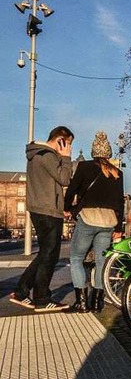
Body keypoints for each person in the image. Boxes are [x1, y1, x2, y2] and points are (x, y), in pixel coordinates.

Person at [9, 126, 74, 313]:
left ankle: (21, 292)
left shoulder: (36, 154)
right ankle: (42, 299)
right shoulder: (47, 155)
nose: (69, 147)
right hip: (48, 210)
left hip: (40, 208)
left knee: (45, 253)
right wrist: (66, 157)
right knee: (50, 255)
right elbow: (65, 179)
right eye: (68, 142)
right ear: (61, 140)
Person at [64, 131, 124, 313]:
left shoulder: (84, 167)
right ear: (109, 153)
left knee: (76, 258)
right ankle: (97, 302)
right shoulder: (117, 173)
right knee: (101, 262)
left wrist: (67, 208)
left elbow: (72, 190)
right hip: (108, 222)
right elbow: (119, 202)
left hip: (88, 219)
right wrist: (119, 227)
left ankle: (82, 303)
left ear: (93, 152)